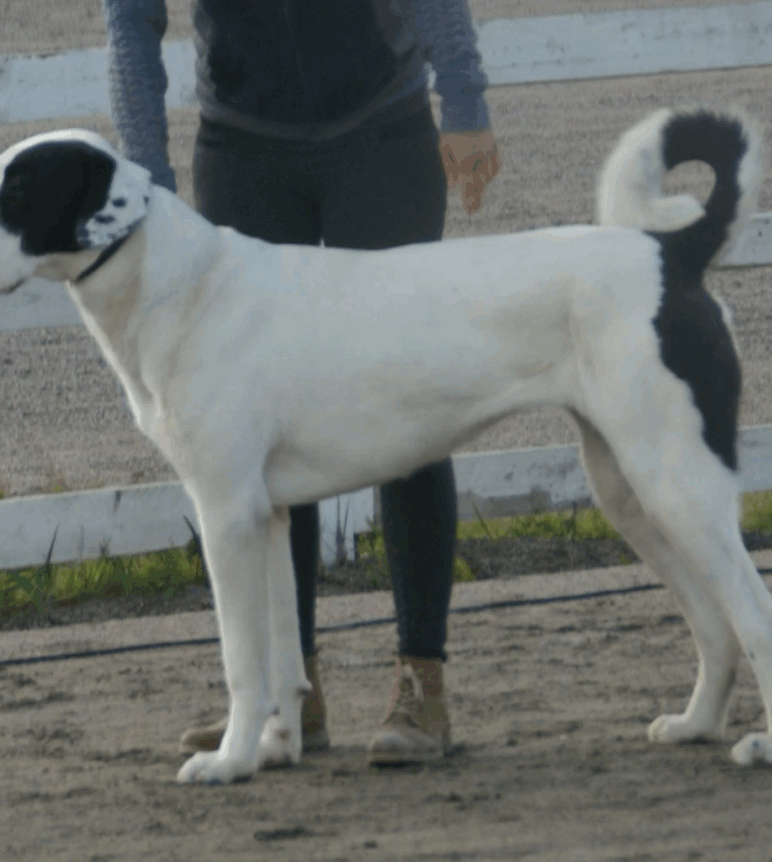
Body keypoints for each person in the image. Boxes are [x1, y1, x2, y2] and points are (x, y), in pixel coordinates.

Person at [103, 0, 502, 765]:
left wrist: (464, 99)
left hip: (381, 132)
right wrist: (146, 170)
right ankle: (290, 694)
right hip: (243, 147)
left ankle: (422, 683)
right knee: (261, 434)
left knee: (408, 403)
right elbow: (130, 15)